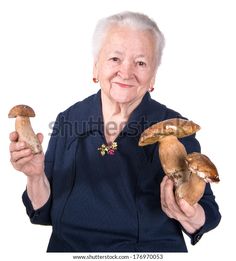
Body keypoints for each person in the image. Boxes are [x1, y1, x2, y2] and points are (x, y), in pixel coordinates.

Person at [9, 11, 221, 252]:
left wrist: (189, 215)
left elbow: (208, 213)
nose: (126, 72)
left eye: (141, 62)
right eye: (115, 59)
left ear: (153, 76)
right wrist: (35, 177)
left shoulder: (175, 126)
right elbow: (44, 212)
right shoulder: (68, 120)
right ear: (95, 67)